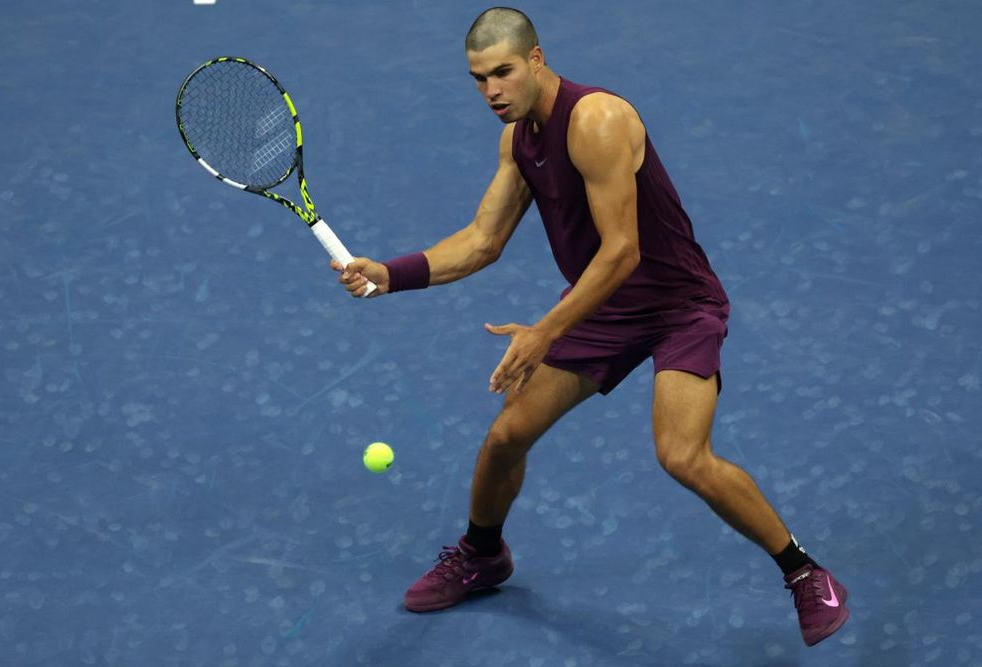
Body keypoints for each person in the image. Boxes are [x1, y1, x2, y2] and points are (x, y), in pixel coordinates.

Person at [330, 6, 849, 647]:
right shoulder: (517, 140)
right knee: (504, 439)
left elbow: (622, 251)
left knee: (681, 454)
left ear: (537, 59)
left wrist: (544, 331)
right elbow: (482, 240)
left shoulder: (598, 121)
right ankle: (483, 554)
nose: (491, 91)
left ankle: (805, 573)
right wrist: (390, 272)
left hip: (677, 307)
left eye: (503, 72)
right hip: (603, 309)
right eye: (477, 78)